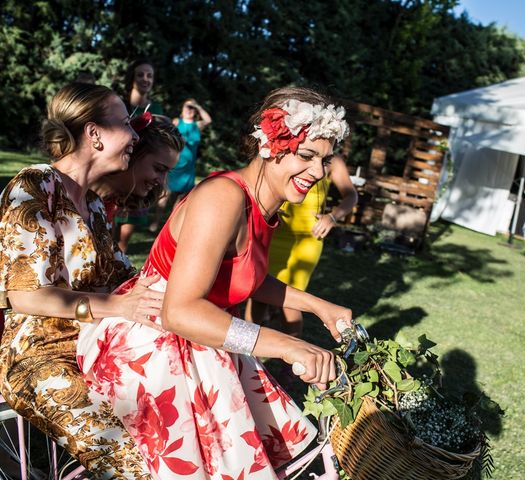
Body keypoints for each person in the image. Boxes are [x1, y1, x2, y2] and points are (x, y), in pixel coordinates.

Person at [77, 87, 353, 479]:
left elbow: (246, 276)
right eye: (306, 156)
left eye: (325, 161)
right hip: (153, 338)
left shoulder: (264, 203)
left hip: (205, 337)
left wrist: (319, 306)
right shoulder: (223, 197)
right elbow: (180, 310)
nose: (319, 173)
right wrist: (290, 345)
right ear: (270, 145)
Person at [0, 82, 163, 479]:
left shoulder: (91, 203)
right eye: (126, 124)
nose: (135, 136)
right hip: (38, 357)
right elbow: (24, 294)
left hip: (96, 348)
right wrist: (116, 305)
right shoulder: (34, 186)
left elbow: (125, 274)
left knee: (171, 435)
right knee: (134, 466)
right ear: (94, 134)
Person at [248, 153, 358, 338]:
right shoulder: (288, 151)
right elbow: (258, 181)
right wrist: (266, 209)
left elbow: (351, 195)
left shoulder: (334, 160)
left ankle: (292, 361)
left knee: (292, 299)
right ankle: (244, 351)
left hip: (309, 238)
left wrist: (332, 217)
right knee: (258, 290)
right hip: (276, 233)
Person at [91, 117, 184, 226]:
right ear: (132, 153)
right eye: (158, 169)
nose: (162, 181)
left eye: (167, 172)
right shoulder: (76, 197)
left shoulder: (110, 203)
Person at [115, 59, 164, 252]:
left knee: (122, 241)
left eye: (149, 75)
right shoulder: (117, 103)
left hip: (137, 178)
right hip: (112, 174)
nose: (145, 79)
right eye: (141, 74)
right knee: (102, 231)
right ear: (131, 78)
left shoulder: (157, 109)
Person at [149, 99, 212, 232]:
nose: (189, 110)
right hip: (174, 166)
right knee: (164, 196)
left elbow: (208, 120)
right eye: (187, 107)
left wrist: (197, 105)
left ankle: (170, 225)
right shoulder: (177, 122)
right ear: (182, 110)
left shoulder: (197, 125)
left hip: (188, 169)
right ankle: (155, 222)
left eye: (192, 108)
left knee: (180, 199)